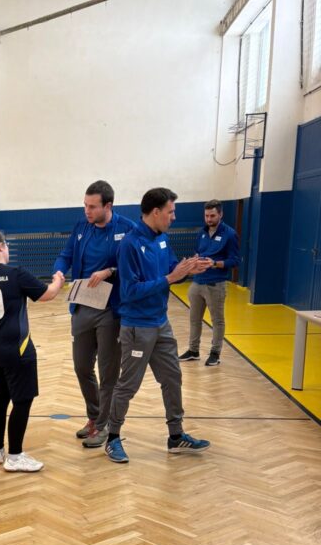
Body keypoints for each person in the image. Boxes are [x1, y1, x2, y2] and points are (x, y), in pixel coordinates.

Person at [105, 188, 213, 464]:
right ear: (156, 212)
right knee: (128, 385)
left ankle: (176, 436)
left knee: (172, 378)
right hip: (137, 328)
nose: (174, 217)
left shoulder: (163, 239)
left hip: (161, 323)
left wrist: (188, 269)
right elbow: (129, 291)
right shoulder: (129, 244)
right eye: (170, 211)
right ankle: (112, 438)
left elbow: (172, 268)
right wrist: (170, 278)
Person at [0, 230, 66, 472]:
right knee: (22, 401)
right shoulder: (15, 274)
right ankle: (15, 456)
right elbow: (47, 295)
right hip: (17, 350)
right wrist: (58, 282)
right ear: (0, 247)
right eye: (6, 245)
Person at [53, 180, 136, 449]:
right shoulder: (81, 227)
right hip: (82, 306)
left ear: (108, 206)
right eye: (85, 205)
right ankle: (94, 416)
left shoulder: (127, 229)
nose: (87, 211)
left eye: (92, 206)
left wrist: (111, 271)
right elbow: (66, 255)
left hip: (111, 310)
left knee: (108, 372)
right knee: (81, 367)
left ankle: (105, 425)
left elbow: (135, 266)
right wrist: (59, 271)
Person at [178, 199, 240, 367]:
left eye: (212, 216)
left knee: (217, 321)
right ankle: (193, 351)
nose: (209, 219)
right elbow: (198, 252)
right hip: (197, 282)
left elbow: (235, 261)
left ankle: (215, 353)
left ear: (221, 214)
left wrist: (215, 263)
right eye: (206, 216)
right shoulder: (201, 233)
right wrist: (194, 261)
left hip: (216, 284)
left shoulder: (230, 234)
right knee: (194, 319)